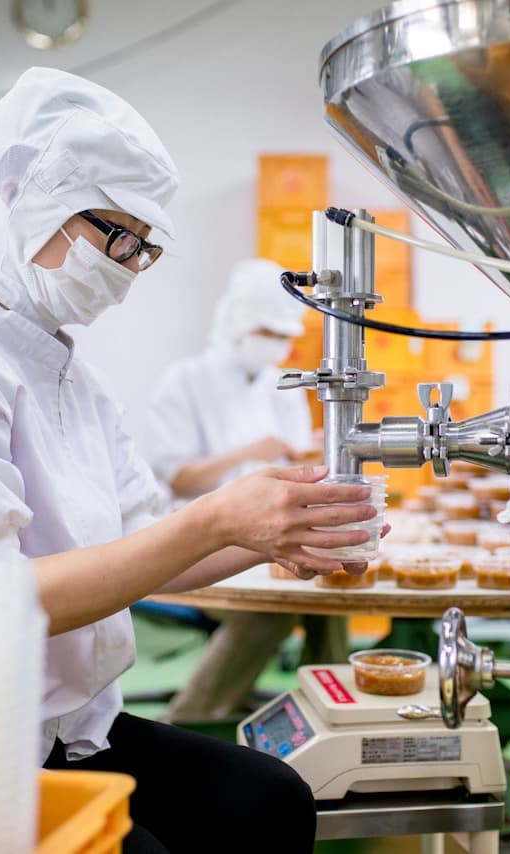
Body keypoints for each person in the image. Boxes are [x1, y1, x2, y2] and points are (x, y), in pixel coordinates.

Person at [0, 67, 375, 854]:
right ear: (21, 201)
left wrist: (272, 535)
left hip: (64, 726)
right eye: (117, 236)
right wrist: (219, 515)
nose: (126, 264)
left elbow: (148, 542)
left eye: (143, 248)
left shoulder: (70, 376)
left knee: (268, 799)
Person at [143, 260, 347, 722]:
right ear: (236, 321)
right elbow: (180, 479)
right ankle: (194, 721)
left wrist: (315, 455)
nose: (274, 343)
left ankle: (333, 715)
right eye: (265, 330)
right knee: (272, 607)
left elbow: (297, 467)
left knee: (329, 592)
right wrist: (247, 452)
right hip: (200, 542)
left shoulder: (285, 386)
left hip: (274, 535)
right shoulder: (186, 381)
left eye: (283, 334)